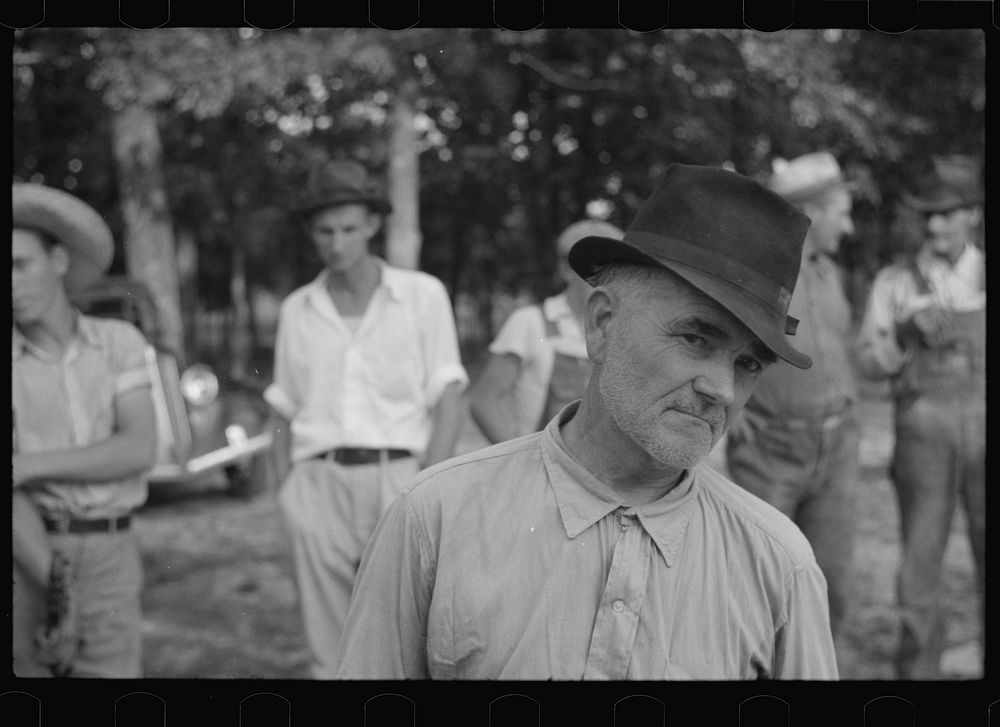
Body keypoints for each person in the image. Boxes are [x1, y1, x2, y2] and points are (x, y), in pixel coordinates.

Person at [337, 163, 839, 680]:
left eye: (748, 363)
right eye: (695, 338)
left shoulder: (778, 563)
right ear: (601, 325)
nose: (723, 389)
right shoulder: (434, 519)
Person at [264, 159, 469, 678]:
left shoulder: (421, 296)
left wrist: (428, 483)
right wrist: (287, 493)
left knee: (410, 637)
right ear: (312, 233)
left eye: (349, 228)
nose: (337, 243)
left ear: (373, 225)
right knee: (328, 650)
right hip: (319, 484)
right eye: (325, 231)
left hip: (399, 477)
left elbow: (447, 395)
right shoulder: (298, 309)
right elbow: (284, 407)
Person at [12, 182, 157, 677]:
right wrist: (55, 585)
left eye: (18, 264)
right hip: (27, 549)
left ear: (57, 259)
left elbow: (138, 447)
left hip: (111, 554)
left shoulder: (118, 342)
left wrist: (26, 465)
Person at [854, 155, 984, 679]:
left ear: (972, 215)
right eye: (927, 215)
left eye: (946, 214)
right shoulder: (894, 283)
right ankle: (918, 680)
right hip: (921, 435)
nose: (933, 226)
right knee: (920, 565)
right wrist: (902, 336)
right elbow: (865, 362)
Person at [724, 151, 860, 643]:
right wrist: (730, 414)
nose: (847, 228)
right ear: (816, 213)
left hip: (838, 449)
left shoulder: (830, 273)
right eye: (842, 214)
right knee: (763, 588)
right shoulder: (758, 273)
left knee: (831, 585)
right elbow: (723, 344)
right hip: (771, 452)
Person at [469, 219, 624, 443]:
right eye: (601, 268)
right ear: (566, 270)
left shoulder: (624, 331)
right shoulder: (530, 323)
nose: (611, 281)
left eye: (619, 270)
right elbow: (484, 402)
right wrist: (520, 460)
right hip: (539, 469)